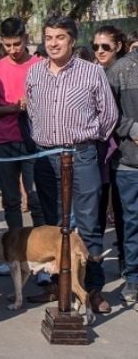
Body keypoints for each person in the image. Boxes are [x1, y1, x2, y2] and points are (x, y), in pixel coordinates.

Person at [26, 15, 118, 314]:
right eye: (49, 37)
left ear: (72, 40)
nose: (53, 43)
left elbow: (108, 116)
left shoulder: (91, 73)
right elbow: (32, 115)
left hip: (81, 155)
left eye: (60, 37)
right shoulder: (35, 74)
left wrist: (86, 142)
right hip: (45, 157)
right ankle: (58, 286)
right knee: (53, 227)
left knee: (89, 225)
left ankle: (92, 289)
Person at [0, 17, 43, 232]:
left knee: (36, 200)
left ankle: (41, 251)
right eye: (7, 45)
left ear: (26, 39)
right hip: (3, 142)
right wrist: (14, 108)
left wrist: (32, 104)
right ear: (1, 42)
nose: (13, 50)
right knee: (11, 201)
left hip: (34, 141)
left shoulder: (39, 66)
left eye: (17, 44)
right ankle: (16, 253)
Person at [93, 25, 128, 270]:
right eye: (96, 46)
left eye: (105, 46)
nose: (100, 51)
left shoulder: (124, 73)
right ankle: (94, 275)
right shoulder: (92, 74)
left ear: (118, 46)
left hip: (122, 153)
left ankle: (128, 266)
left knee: (124, 215)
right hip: (97, 154)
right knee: (94, 218)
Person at [107, 41, 138, 306]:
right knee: (132, 225)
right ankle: (133, 279)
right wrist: (132, 128)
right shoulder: (121, 70)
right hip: (130, 163)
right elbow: (108, 113)